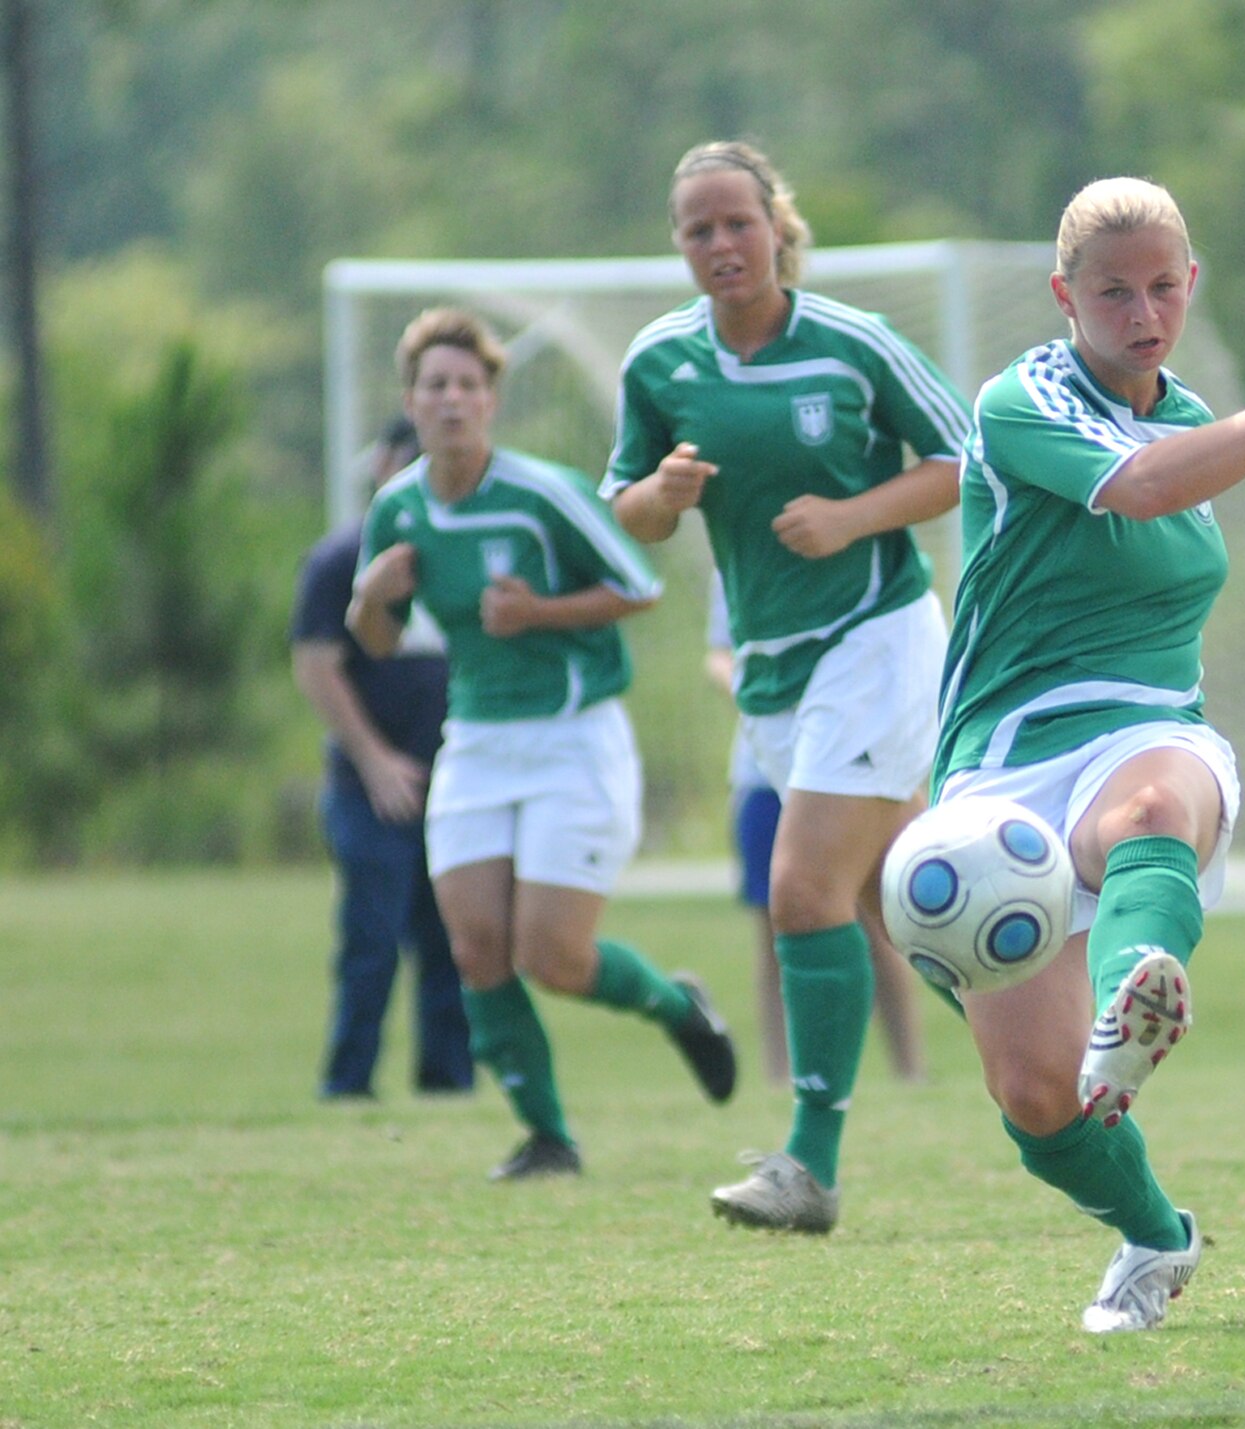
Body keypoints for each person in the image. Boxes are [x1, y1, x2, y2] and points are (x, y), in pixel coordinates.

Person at [930, 177, 1245, 1332]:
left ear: (1190, 284)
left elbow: (1166, 482)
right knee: (1037, 1102)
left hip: (1149, 729)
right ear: (1064, 297)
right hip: (1002, 763)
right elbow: (1138, 492)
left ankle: (1129, 1001)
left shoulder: (1189, 410)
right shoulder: (1018, 397)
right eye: (1111, 292)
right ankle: (1155, 1236)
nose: (1140, 311)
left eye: (1160, 286)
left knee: (1151, 810)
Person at [605, 140, 970, 1233]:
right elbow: (619, 509)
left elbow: (966, 457)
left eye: (736, 222)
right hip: (771, 670)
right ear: (677, 244)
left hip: (878, 634)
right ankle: (1067, 1010)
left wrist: (852, 515)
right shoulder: (659, 363)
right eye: (696, 228)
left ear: (777, 226)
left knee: (799, 893)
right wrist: (660, 496)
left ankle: (807, 1164)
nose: (719, 244)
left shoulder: (851, 344)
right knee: (896, 901)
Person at [349, 307, 737, 1181]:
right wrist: (370, 598)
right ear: (410, 401)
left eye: (469, 385)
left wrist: (538, 613)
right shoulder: (398, 508)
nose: (452, 400)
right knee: (478, 948)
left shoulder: (542, 491)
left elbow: (638, 586)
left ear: (492, 399)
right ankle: (548, 1137)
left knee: (553, 956)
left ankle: (679, 1007)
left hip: (573, 737)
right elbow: (373, 640)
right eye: (435, 385)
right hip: (478, 743)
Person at [291, 415, 473, 1101]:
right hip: (370, 789)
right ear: (381, 467)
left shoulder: (464, 550)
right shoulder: (343, 559)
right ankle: (349, 1084)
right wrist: (375, 761)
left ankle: (449, 1084)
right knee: (371, 941)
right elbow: (316, 665)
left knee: (457, 941)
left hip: (456, 780)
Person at [703, 574, 927, 1087]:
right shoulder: (734, 547)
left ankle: (909, 1069)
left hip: (849, 755)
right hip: (765, 767)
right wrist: (748, 684)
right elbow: (720, 652)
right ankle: (785, 1076)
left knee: (883, 918)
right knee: (780, 925)